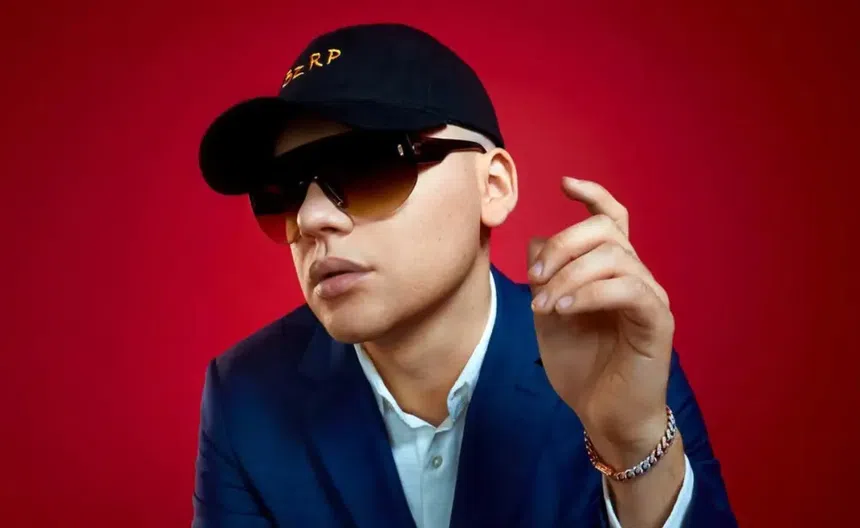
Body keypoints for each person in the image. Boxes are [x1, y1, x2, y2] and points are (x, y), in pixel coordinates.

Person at [193, 23, 736, 528]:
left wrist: (634, 444)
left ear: (493, 186)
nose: (311, 219)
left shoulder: (613, 349)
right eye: (283, 191)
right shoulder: (247, 395)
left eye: (367, 166)